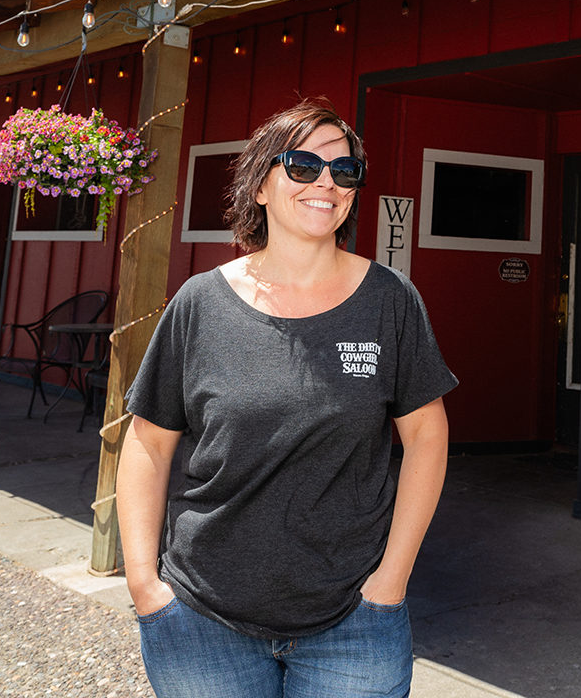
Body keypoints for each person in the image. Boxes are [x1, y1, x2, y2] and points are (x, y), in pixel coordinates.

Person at [118, 99, 457, 698]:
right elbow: (148, 441)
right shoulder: (199, 303)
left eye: (344, 172)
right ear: (261, 185)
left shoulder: (390, 300)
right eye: (303, 165)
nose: (326, 182)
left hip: (354, 619)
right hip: (202, 618)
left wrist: (391, 581)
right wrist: (145, 583)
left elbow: (427, 437)